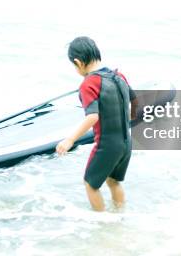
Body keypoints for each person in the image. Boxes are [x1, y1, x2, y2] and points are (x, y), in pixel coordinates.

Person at [56, 36, 136, 211]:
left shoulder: (89, 84)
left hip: (107, 146)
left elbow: (93, 117)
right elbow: (135, 101)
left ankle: (103, 224)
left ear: (78, 63)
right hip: (126, 142)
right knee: (113, 181)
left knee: (90, 185)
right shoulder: (118, 75)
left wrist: (69, 140)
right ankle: (120, 216)